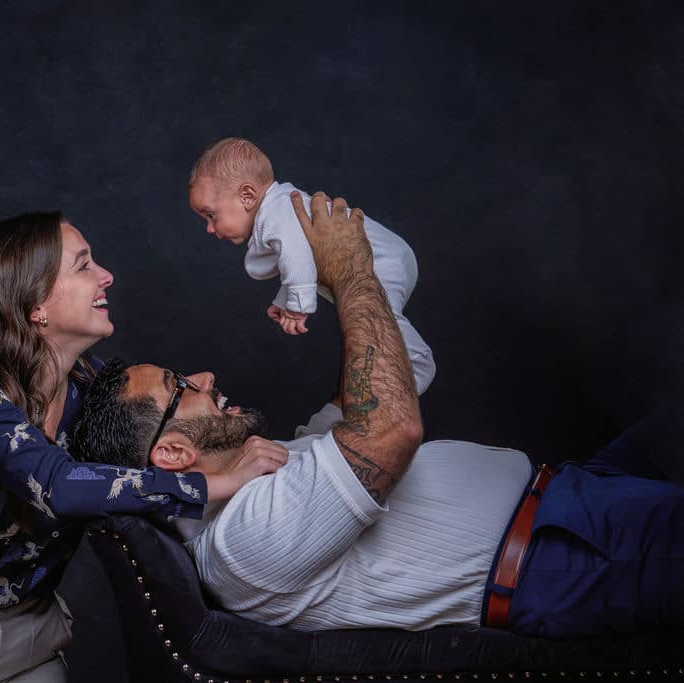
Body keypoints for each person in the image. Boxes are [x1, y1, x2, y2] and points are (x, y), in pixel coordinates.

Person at [73, 193, 684, 639]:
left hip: (571, 495)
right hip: (567, 551)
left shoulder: (268, 471)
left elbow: (400, 371)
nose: (204, 377)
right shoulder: (242, 542)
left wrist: (331, 273)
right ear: (172, 453)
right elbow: (392, 427)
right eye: (181, 386)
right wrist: (351, 271)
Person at [0, 213, 287, 683]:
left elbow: (164, 440)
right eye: (84, 265)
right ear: (35, 304)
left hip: (28, 643)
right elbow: (56, 484)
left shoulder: (89, 386)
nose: (106, 276)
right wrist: (214, 483)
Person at [188, 138, 424, 360]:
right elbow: (297, 262)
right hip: (387, 259)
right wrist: (284, 301)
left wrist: (296, 308)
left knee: (378, 327)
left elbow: (297, 259)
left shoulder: (277, 213)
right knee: (371, 330)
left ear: (247, 196)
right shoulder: (277, 213)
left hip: (381, 261)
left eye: (211, 215)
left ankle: (417, 361)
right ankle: (402, 367)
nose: (209, 228)